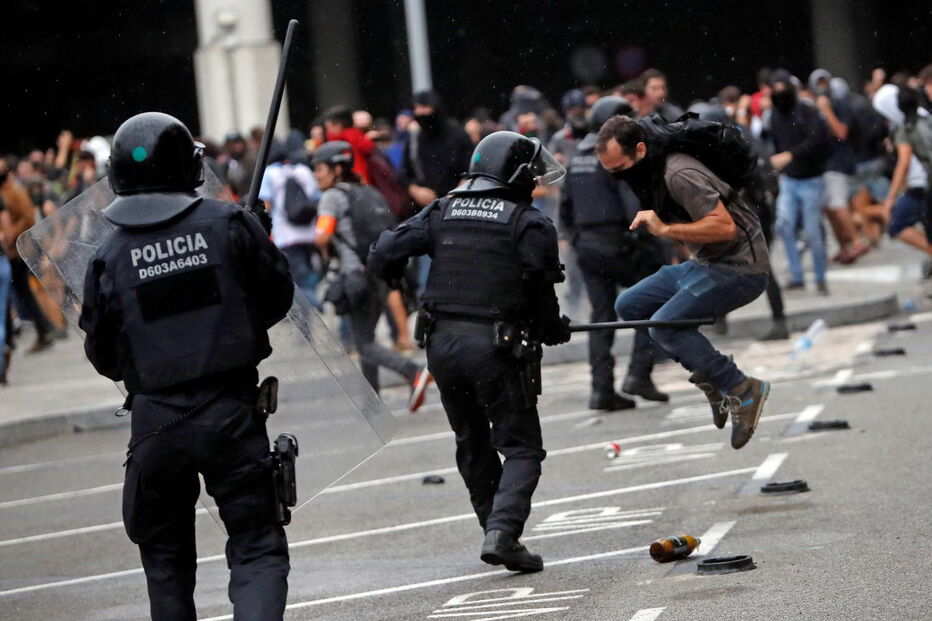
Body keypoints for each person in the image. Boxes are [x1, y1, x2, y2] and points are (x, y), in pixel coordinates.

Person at [78, 112, 292, 620]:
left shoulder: (107, 255)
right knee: (257, 544)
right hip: (232, 414)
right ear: (189, 166)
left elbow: (103, 356)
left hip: (156, 424)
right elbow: (277, 299)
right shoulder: (230, 225)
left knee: (166, 561)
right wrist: (253, 244)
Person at [368, 131, 571, 572]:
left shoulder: (443, 209)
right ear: (514, 175)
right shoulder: (529, 223)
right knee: (521, 448)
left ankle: (494, 533)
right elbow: (540, 296)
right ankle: (502, 532)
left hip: (440, 345)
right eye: (531, 177)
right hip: (494, 349)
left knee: (472, 441)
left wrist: (399, 286)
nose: (535, 185)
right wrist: (553, 330)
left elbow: (384, 251)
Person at [596, 115, 771, 449]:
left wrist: (664, 230)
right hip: (706, 263)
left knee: (664, 325)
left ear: (641, 150)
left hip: (741, 268)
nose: (617, 177)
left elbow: (725, 227)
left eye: (619, 168)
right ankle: (713, 382)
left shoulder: (679, 173)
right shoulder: (647, 174)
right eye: (610, 171)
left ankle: (741, 389)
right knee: (630, 304)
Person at [561, 96, 667, 409]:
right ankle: (639, 374)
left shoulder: (577, 156)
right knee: (652, 303)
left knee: (601, 318)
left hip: (588, 248)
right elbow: (632, 207)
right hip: (620, 245)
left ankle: (601, 389)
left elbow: (565, 211)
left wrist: (579, 239)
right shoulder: (614, 154)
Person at [311, 141, 431, 410]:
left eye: (319, 168)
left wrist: (325, 249)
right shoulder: (367, 191)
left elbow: (323, 235)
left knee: (363, 344)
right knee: (366, 337)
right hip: (377, 276)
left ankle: (412, 371)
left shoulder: (332, 197)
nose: (315, 174)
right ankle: (372, 402)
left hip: (354, 277)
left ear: (336, 169)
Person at [768, 69, 831, 294]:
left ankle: (820, 277)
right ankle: (797, 275)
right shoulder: (775, 114)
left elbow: (816, 141)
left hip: (811, 178)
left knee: (813, 231)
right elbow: (776, 142)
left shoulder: (806, 110)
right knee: (784, 226)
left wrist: (790, 155)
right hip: (790, 178)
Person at [809, 69, 870, 264]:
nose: (822, 87)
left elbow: (842, 133)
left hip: (838, 161)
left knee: (838, 203)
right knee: (829, 207)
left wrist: (826, 111)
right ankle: (844, 245)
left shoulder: (839, 104)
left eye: (824, 82)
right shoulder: (816, 105)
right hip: (826, 162)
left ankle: (857, 241)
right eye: (818, 83)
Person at [0, 157, 56, 353]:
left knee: (21, 291)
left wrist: (10, 237)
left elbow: (27, 217)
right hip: (11, 249)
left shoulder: (14, 192)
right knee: (19, 292)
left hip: (14, 250)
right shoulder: (7, 192)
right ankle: (41, 329)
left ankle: (42, 329)